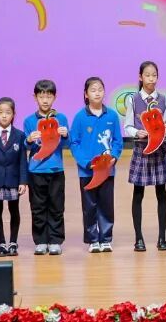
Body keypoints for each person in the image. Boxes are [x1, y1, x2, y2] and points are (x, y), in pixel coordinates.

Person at [69, 76, 123, 252]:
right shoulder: (80, 117)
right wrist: (86, 163)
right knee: (89, 206)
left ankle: (105, 239)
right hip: (87, 172)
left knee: (106, 205)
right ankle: (93, 239)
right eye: (93, 90)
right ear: (86, 94)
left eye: (100, 89)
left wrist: (114, 157)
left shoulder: (112, 115)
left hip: (107, 170)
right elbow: (74, 143)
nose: (97, 93)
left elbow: (117, 141)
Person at [124, 61, 166, 252]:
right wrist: (137, 132)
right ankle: (139, 238)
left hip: (159, 150)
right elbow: (128, 126)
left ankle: (162, 238)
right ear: (140, 77)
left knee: (162, 193)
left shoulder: (164, 99)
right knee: (138, 193)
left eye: (154, 75)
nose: (151, 79)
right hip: (141, 149)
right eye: (147, 75)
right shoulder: (133, 99)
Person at [24, 78, 70, 256]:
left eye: (49, 96)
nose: (45, 100)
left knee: (57, 206)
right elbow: (26, 145)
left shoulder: (61, 118)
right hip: (36, 170)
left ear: (54, 97)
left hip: (56, 169)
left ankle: (55, 241)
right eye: (41, 96)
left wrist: (65, 135)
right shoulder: (29, 121)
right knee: (38, 207)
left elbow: (66, 144)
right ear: (35, 97)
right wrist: (29, 139)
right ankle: (41, 241)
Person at [0, 97, 29, 257]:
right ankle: (1, 244)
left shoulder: (20, 135)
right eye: (0, 112)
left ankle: (13, 243)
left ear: (13, 114)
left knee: (14, 210)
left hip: (13, 180)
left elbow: (22, 160)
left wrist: (23, 181)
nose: (4, 115)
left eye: (8, 112)